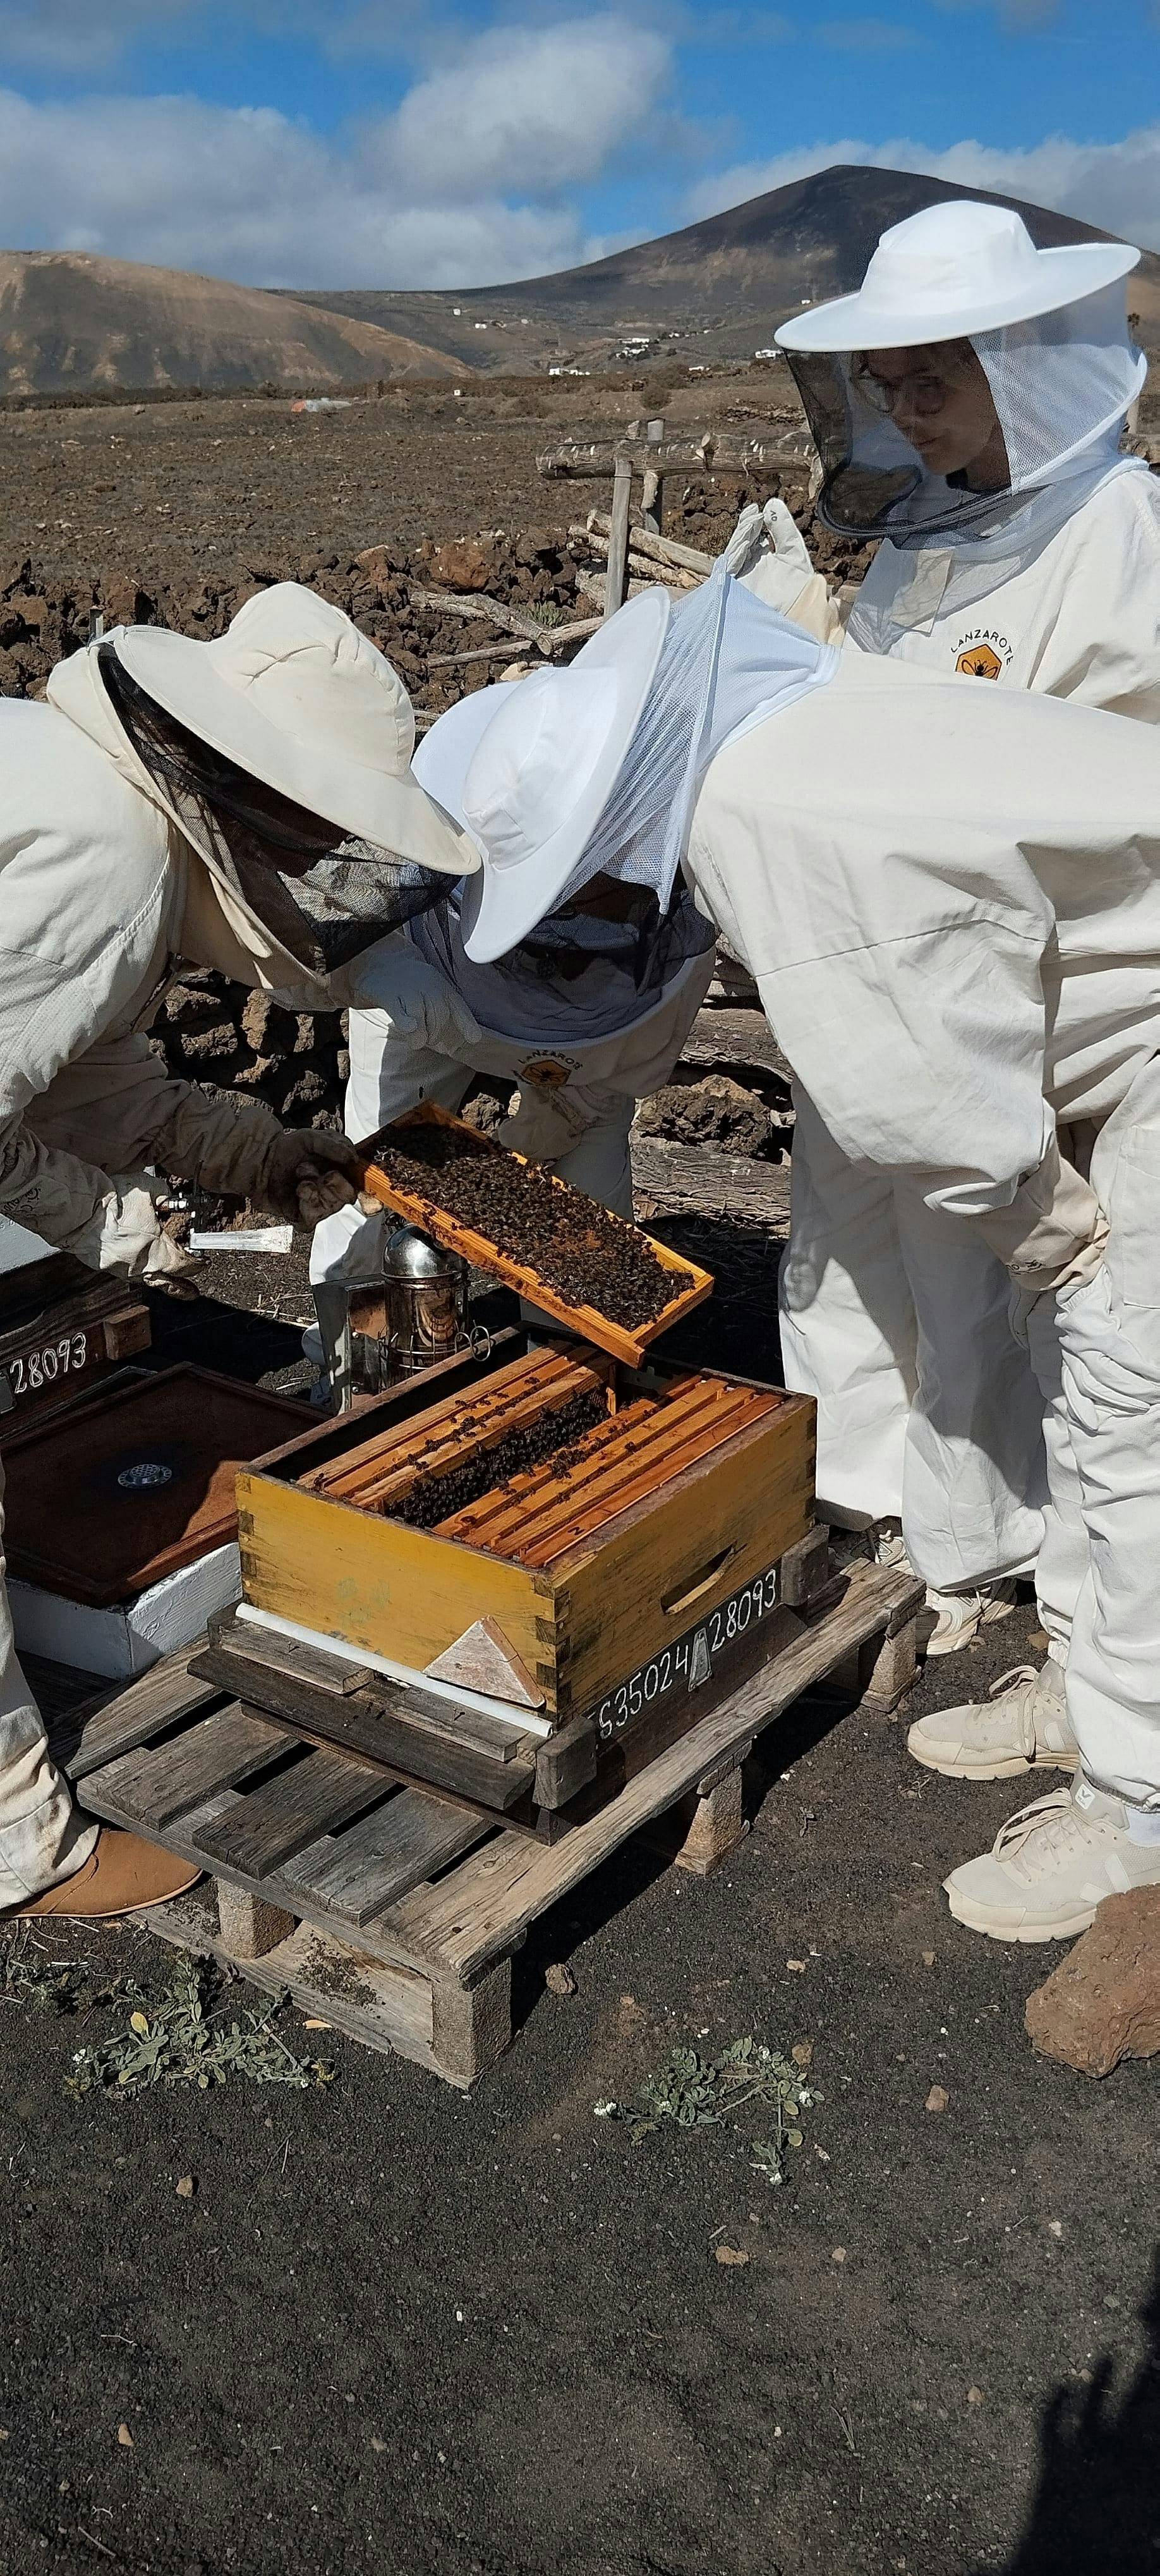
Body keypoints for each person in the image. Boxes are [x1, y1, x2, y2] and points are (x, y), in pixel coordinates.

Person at [453, 573, 1160, 1941]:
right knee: (1096, 1397)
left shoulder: (773, 828)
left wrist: (1066, 1250)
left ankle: (1138, 1824)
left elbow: (924, 1108)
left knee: (1133, 1414)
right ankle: (1100, 1693)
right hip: (1128, 1019)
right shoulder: (793, 728)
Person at [0, 581, 479, 1922]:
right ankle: (25, 1861)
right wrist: (115, 1229)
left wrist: (255, 1153)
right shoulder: (98, 851)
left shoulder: (87, 815)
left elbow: (90, 1084)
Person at [770, 198, 1159, 1677]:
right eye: (889, 388)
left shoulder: (1121, 539)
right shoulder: (911, 549)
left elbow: (1121, 788)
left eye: (936, 380)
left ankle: (996, 1548)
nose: (907, 416)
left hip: (1008, 999)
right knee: (849, 1245)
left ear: (1025, 361)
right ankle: (870, 1510)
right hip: (865, 984)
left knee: (974, 1280)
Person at [310, 526, 839, 1388]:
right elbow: (351, 1011)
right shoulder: (420, 929)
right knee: (380, 1196)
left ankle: (577, 1380)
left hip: (603, 1033)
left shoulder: (666, 892)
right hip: (443, 994)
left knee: (589, 1226)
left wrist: (547, 1129)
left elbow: (602, 1094)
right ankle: (356, 1379)